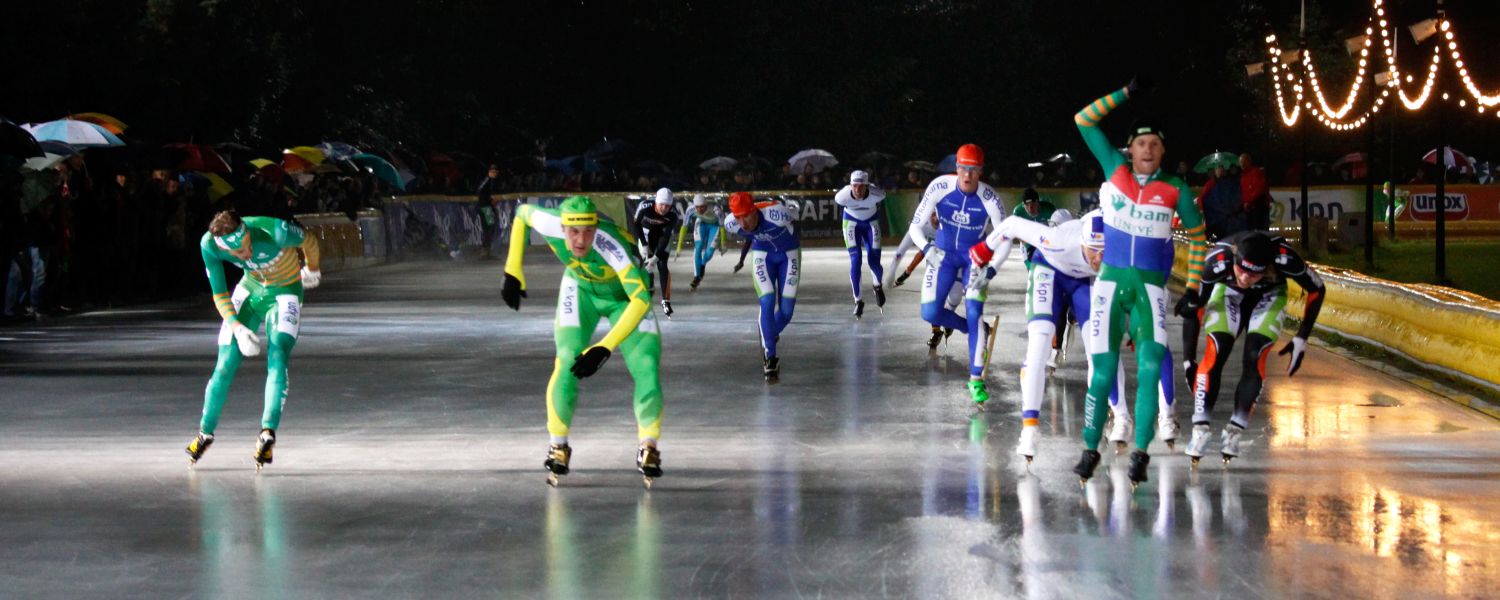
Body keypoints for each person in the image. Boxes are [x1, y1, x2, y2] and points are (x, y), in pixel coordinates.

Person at [1070, 78, 1209, 487]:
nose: (1147, 148)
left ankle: (1142, 452)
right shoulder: (1113, 168)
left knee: (1149, 367)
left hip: (1150, 289)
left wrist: (1195, 286)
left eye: (1155, 144)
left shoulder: (1175, 188)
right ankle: (1090, 448)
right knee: (1102, 371)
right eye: (1141, 142)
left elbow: (1199, 238)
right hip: (1109, 285)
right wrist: (1125, 95)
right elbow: (1083, 120)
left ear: (1164, 152)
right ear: (1129, 149)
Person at [500, 196, 664, 487]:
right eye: (574, 231)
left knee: (646, 366)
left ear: (596, 227)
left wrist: (605, 346)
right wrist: (513, 270)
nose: (581, 239)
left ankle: (648, 446)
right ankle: (558, 446)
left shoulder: (609, 245)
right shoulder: (549, 223)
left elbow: (640, 299)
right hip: (580, 289)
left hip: (625, 300)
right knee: (566, 360)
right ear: (561, 228)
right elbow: (522, 214)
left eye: (588, 230)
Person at [970, 210, 1131, 462]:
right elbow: (1011, 224)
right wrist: (984, 248)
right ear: (1082, 244)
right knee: (1039, 344)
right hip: (1049, 269)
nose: (1099, 258)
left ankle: (1120, 416)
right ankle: (1030, 429)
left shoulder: (1116, 248)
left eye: (1104, 252)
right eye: (1093, 251)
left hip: (1085, 281)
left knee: (1100, 349)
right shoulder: (1057, 239)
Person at [185, 211, 322, 470]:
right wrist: (236, 327)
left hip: (285, 290)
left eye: (246, 247)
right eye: (237, 255)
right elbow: (219, 293)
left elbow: (310, 240)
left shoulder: (276, 231)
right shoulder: (209, 245)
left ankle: (267, 431)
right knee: (225, 363)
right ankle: (205, 433)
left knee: (278, 353)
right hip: (250, 290)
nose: (245, 255)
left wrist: (312, 268)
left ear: (247, 232)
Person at [1180, 231, 1324, 465]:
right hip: (1228, 294)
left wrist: (1301, 338)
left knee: (1255, 354)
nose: (1245, 278)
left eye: (1254, 273)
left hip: (1269, 296)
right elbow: (1194, 308)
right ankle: (1200, 428)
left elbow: (1318, 289)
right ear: (1234, 261)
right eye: (1241, 270)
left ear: (1268, 266)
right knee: (1216, 349)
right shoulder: (1219, 260)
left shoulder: (1285, 258)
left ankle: (1235, 430)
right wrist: (1188, 361)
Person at [907, 143, 1007, 406]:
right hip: (943, 256)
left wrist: (992, 268)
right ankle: (976, 332)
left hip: (974, 258)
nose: (967, 175)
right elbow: (915, 227)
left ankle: (976, 380)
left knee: (974, 311)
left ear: (980, 172)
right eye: (963, 169)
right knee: (930, 313)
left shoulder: (990, 198)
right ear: (956, 168)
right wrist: (927, 249)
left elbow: (1005, 238)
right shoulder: (940, 186)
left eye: (973, 170)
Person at [725, 192, 800, 380]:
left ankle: (769, 331)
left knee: (786, 312)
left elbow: (796, 215)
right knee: (767, 300)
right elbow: (743, 234)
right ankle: (770, 357)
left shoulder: (777, 214)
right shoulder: (730, 223)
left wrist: (791, 210)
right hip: (762, 256)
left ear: (754, 211)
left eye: (746, 216)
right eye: (738, 218)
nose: (742, 223)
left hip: (789, 255)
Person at [885, 211, 962, 349]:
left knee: (954, 297)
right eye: (932, 215)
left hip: (953, 260)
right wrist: (897, 272)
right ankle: (936, 331)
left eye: (938, 214)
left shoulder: (953, 223)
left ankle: (949, 318)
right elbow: (905, 250)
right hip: (934, 261)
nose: (936, 219)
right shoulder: (920, 225)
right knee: (932, 299)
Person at [834, 170, 887, 318]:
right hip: (851, 223)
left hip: (871, 223)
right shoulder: (841, 196)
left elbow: (884, 193)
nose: (858, 190)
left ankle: (877, 286)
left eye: (861, 187)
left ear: (867, 186)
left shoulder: (877, 194)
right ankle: (858, 301)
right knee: (855, 261)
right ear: (850, 185)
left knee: (874, 261)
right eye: (854, 186)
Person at [632, 188, 682, 317]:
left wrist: (656, 257)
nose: (664, 208)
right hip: (646, 233)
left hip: (661, 235)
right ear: (656, 202)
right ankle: (649, 289)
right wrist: (643, 245)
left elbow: (665, 237)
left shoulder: (673, 214)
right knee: (646, 265)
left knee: (662, 265)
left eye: (667, 205)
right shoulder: (645, 206)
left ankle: (666, 300)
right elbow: (636, 224)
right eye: (662, 205)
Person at [674, 194, 725, 290]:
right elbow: (684, 228)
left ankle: (702, 265)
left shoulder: (716, 209)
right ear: (694, 206)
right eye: (697, 207)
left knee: (709, 253)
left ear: (706, 206)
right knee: (698, 248)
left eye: (702, 207)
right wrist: (679, 246)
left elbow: (722, 228)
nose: (700, 210)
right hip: (701, 223)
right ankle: (697, 277)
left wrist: (723, 244)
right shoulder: (690, 210)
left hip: (714, 226)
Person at [1011, 187, 1057, 265]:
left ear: (1038, 203)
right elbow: (1016, 233)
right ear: (1023, 205)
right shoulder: (1018, 212)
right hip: (1028, 240)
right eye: (1027, 205)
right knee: (1032, 271)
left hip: (1045, 239)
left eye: (1033, 204)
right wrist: (1029, 245)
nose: (1030, 208)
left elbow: (1057, 231)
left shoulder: (1049, 209)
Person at [1238, 154, 1272, 231]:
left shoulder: (1256, 173)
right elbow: (1244, 192)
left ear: (1249, 162)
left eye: (1244, 162)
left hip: (1258, 207)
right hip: (1249, 208)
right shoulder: (1243, 176)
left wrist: (1248, 202)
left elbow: (1259, 190)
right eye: (1241, 162)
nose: (1242, 164)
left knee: (1259, 229)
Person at [476, 165, 503, 259]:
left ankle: (486, 250)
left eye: (496, 171)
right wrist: (489, 200)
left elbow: (484, 193)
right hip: (485, 207)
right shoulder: (487, 180)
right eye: (493, 171)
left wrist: (490, 199)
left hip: (486, 206)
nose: (495, 173)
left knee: (489, 227)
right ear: (490, 172)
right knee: (489, 227)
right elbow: (480, 191)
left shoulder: (490, 180)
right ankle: (485, 250)